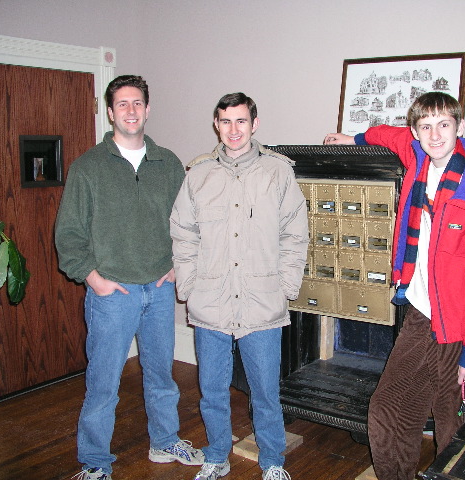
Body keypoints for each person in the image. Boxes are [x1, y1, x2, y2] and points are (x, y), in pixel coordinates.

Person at [324, 92, 465, 480]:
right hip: (421, 314)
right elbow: (391, 136)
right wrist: (357, 139)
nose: (434, 134)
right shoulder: (416, 159)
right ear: (416, 131)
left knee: (454, 428)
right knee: (387, 411)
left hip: (462, 327)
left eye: (443, 124)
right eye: (425, 126)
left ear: (459, 127)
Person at [55, 75, 203, 480]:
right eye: (122, 104)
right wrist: (93, 279)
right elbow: (68, 234)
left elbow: (187, 222)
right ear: (110, 112)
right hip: (112, 294)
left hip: (158, 288)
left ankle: (164, 441)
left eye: (137, 103)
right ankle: (95, 463)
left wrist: (177, 265)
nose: (131, 111)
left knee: (162, 376)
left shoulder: (168, 163)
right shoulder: (88, 168)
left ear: (148, 109)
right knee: (102, 384)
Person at [170, 92, 309, 480]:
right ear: (217, 124)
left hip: (262, 302)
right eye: (226, 121)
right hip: (210, 301)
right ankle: (216, 456)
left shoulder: (278, 172)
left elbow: (295, 233)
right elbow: (183, 233)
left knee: (265, 393)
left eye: (241, 121)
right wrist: (190, 286)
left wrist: (285, 286)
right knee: (211, 390)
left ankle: (273, 462)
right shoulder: (197, 174)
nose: (233, 130)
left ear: (255, 124)